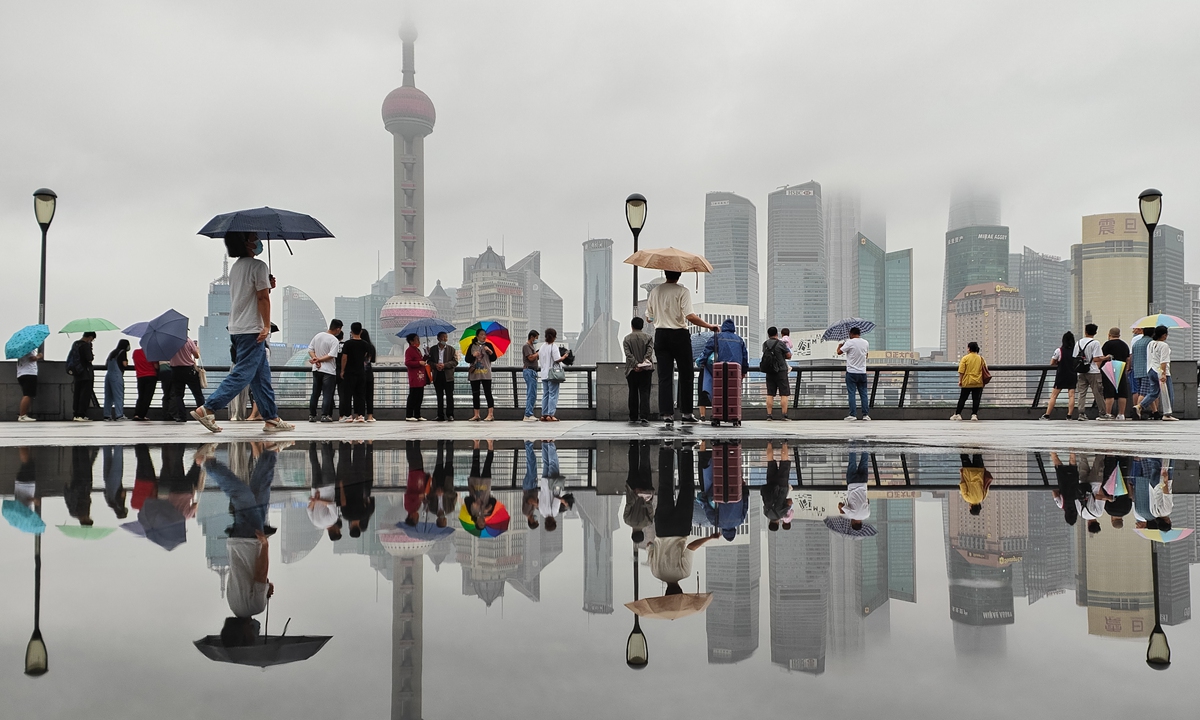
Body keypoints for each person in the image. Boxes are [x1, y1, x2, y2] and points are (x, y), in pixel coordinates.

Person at [190, 231, 294, 434]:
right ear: (246, 243)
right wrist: (265, 326)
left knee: (261, 377)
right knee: (243, 373)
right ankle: (208, 408)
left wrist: (268, 285)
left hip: (237, 327)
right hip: (252, 329)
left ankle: (271, 418)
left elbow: (250, 294)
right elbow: (262, 298)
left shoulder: (237, 268)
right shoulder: (258, 266)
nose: (258, 242)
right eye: (255, 238)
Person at [204, 442, 280, 647]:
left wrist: (264, 546)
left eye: (251, 638)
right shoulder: (234, 606)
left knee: (244, 497)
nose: (255, 636)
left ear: (245, 636)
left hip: (251, 542)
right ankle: (269, 453)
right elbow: (246, 575)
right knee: (259, 493)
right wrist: (265, 589)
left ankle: (209, 464)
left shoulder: (255, 608)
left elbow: (259, 573)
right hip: (236, 543)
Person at [645, 270, 719, 428]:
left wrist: (661, 315)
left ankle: (667, 414)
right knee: (686, 373)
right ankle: (686, 413)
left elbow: (648, 318)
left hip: (661, 335)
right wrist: (709, 325)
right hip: (679, 335)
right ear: (679, 274)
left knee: (665, 376)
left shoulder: (655, 291)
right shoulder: (682, 291)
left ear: (665, 274)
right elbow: (690, 316)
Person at [647, 444, 720, 593]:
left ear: (680, 590)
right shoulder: (656, 573)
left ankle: (686, 451)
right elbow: (649, 545)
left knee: (687, 487)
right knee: (665, 487)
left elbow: (690, 548)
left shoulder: (684, 573)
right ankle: (666, 450)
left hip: (681, 528)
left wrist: (710, 538)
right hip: (662, 528)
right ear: (666, 592)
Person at [698, 318, 748, 421]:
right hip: (735, 371)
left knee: (718, 391)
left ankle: (718, 413)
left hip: (719, 370)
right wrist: (744, 371)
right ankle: (733, 414)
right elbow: (744, 357)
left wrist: (700, 361)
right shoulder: (739, 339)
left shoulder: (717, 337)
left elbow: (707, 351)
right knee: (733, 392)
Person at [1136, 325, 1176, 421]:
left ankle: (1139, 406)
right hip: (1160, 371)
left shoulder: (1151, 343)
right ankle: (1167, 414)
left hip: (1150, 370)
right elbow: (1163, 361)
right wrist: (1163, 374)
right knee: (1169, 393)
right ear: (1164, 335)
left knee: (1154, 392)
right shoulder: (1164, 345)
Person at [307, 319, 342, 422]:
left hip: (316, 369)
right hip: (328, 371)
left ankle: (312, 415)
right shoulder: (334, 340)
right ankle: (325, 415)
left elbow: (310, 349)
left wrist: (315, 359)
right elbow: (331, 355)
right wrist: (319, 359)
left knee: (315, 393)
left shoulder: (318, 336)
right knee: (327, 394)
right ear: (338, 329)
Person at [622, 317, 654, 425]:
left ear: (632, 326)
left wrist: (636, 364)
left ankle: (633, 417)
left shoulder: (627, 339)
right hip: (646, 370)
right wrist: (642, 364)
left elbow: (628, 354)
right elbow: (649, 353)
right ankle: (644, 417)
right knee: (645, 393)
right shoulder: (648, 337)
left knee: (633, 392)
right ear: (642, 326)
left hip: (631, 370)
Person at [1041, 332, 1077, 420]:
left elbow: (1052, 363)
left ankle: (1047, 415)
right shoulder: (1076, 351)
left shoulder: (1059, 350)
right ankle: (1069, 415)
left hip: (1061, 375)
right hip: (1072, 374)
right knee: (1071, 395)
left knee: (1054, 395)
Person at [623, 440, 655, 542]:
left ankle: (645, 444)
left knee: (645, 465)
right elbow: (629, 504)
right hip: (633, 488)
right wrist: (635, 494)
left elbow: (649, 507)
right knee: (633, 465)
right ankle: (633, 444)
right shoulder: (627, 520)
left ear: (642, 533)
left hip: (646, 489)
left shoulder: (648, 522)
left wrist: (644, 497)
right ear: (632, 533)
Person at [836, 327, 870, 421]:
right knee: (864, 394)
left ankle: (853, 414)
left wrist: (840, 345)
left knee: (852, 393)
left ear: (851, 333)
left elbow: (839, 352)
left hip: (851, 372)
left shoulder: (849, 342)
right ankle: (865, 415)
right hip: (862, 372)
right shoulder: (866, 342)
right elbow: (866, 355)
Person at [340, 322, 371, 423]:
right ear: (360, 331)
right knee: (360, 394)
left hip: (349, 372)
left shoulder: (348, 344)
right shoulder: (365, 344)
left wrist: (342, 370)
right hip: (361, 372)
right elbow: (366, 357)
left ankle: (348, 415)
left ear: (351, 331)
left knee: (347, 394)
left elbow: (344, 358)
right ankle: (361, 415)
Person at [168, 334, 202, 423]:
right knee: (197, 393)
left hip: (175, 370)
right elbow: (196, 356)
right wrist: (196, 349)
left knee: (178, 395)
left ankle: (182, 416)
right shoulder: (188, 341)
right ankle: (203, 414)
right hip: (188, 370)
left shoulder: (169, 342)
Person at [761, 326, 793, 421]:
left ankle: (769, 415)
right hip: (781, 371)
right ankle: (784, 415)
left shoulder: (765, 344)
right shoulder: (780, 343)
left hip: (769, 371)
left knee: (770, 394)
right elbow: (789, 355)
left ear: (768, 334)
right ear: (777, 334)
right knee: (784, 393)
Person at [1073, 323, 1103, 421]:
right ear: (1095, 332)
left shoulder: (1078, 343)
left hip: (1081, 371)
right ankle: (1102, 413)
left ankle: (1081, 414)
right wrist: (1106, 357)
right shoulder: (1095, 343)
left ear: (1085, 331)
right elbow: (1096, 358)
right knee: (1097, 393)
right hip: (1093, 371)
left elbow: (1074, 357)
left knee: (1081, 393)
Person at [538, 328, 569, 422]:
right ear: (554, 336)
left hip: (544, 374)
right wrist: (564, 356)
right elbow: (557, 359)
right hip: (552, 374)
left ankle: (544, 414)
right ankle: (551, 415)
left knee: (545, 395)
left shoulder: (542, 346)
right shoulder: (553, 346)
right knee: (553, 394)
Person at [1099, 327, 1131, 420]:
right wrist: (1126, 370)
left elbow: (1102, 357)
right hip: (1121, 369)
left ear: (1109, 335)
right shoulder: (1124, 345)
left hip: (1109, 370)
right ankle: (1121, 414)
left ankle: (1108, 413)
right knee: (1122, 393)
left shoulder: (1107, 344)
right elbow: (1127, 358)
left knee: (1109, 393)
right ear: (1119, 335)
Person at [467, 328, 497, 421]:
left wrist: (490, 351)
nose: (484, 336)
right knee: (475, 394)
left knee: (488, 393)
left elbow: (494, 358)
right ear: (477, 336)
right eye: (482, 334)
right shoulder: (472, 346)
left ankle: (490, 414)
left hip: (486, 373)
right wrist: (473, 355)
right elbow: (467, 359)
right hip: (475, 373)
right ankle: (476, 414)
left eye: (485, 334)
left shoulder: (488, 345)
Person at [427, 331, 458, 421]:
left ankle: (450, 415)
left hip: (448, 375)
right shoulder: (432, 350)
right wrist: (436, 365)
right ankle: (440, 415)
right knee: (439, 396)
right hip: (437, 375)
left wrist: (444, 365)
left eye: (446, 337)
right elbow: (429, 362)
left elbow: (455, 362)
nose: (445, 339)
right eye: (443, 337)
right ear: (438, 338)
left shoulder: (451, 349)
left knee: (449, 396)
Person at [761, 441, 793, 531]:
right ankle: (769, 443)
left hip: (782, 487)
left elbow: (789, 502)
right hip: (770, 485)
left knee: (784, 463)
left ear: (778, 523)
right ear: (769, 523)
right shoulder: (766, 514)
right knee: (770, 462)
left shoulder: (781, 515)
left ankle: (785, 443)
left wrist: (785, 502)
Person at [951, 342, 986, 421]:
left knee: (962, 398)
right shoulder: (981, 358)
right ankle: (974, 415)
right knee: (976, 399)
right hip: (978, 381)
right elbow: (984, 369)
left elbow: (961, 371)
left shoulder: (965, 358)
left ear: (969, 348)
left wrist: (960, 380)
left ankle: (958, 414)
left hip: (967, 381)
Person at [69, 331, 97, 421]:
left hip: (77, 372)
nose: (92, 341)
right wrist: (91, 352)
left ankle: (76, 414)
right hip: (86, 373)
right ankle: (81, 414)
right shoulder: (85, 345)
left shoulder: (75, 344)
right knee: (84, 394)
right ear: (90, 337)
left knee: (77, 393)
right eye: (92, 339)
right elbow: (89, 358)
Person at [839, 451, 871, 530]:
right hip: (852, 483)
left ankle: (866, 443)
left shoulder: (867, 514)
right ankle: (852, 442)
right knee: (852, 462)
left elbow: (868, 501)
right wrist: (841, 511)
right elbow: (840, 504)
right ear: (853, 523)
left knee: (864, 462)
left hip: (863, 483)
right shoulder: (851, 515)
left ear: (860, 523)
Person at [402, 332, 427, 421]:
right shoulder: (409, 350)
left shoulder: (417, 350)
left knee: (420, 396)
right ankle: (409, 415)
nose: (418, 341)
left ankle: (417, 414)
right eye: (416, 339)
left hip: (420, 376)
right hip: (414, 376)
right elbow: (407, 362)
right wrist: (418, 363)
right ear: (411, 341)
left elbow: (421, 360)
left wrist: (426, 356)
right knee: (413, 396)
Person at [1130, 326, 1155, 416]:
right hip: (1147, 370)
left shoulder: (1136, 343)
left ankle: (1155, 411)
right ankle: (1137, 409)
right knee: (1145, 393)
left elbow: (1132, 357)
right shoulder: (1151, 343)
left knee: (1147, 392)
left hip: (1137, 371)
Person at [103, 339, 130, 420]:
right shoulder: (122, 352)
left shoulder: (112, 352)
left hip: (108, 375)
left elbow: (106, 364)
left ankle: (107, 415)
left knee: (108, 396)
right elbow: (124, 364)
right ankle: (119, 415)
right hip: (116, 375)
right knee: (118, 396)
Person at [130, 347, 157, 421]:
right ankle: (142, 415)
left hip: (140, 376)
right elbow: (156, 366)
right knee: (147, 397)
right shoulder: (151, 353)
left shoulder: (135, 352)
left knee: (141, 396)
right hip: (151, 376)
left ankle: (136, 414)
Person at [16, 348, 42, 422]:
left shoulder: (20, 350)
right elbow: (32, 358)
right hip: (29, 373)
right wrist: (39, 356)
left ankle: (23, 414)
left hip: (21, 373)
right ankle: (22, 415)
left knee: (27, 393)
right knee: (28, 394)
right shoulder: (28, 348)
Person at [521, 330, 541, 422]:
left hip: (532, 371)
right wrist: (538, 353)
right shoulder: (526, 346)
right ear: (532, 337)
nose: (536, 340)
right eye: (536, 338)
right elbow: (530, 357)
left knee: (533, 393)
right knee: (531, 393)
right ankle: (528, 414)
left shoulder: (531, 347)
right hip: (529, 370)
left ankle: (529, 413)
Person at [360, 329, 378, 422]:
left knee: (359, 395)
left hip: (359, 374)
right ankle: (370, 416)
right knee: (369, 396)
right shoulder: (371, 347)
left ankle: (360, 415)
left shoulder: (359, 346)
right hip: (369, 373)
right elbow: (373, 360)